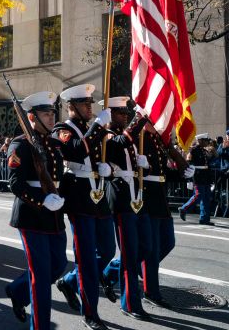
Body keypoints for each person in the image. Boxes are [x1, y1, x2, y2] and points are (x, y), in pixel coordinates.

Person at [52, 84, 115, 330]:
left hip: (99, 195)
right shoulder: (62, 129)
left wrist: (106, 167)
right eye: (85, 104)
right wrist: (99, 126)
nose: (90, 107)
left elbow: (97, 154)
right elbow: (76, 152)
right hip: (79, 197)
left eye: (90, 103)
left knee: (108, 251)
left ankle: (69, 281)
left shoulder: (90, 128)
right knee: (86, 259)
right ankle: (90, 313)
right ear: (72, 107)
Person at [3, 91, 68, 330]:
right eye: (45, 114)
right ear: (31, 117)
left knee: (59, 265)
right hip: (32, 216)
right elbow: (16, 184)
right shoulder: (20, 144)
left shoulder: (54, 143)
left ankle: (17, 291)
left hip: (54, 216)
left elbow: (60, 178)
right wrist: (42, 201)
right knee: (40, 276)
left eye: (52, 113)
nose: (51, 118)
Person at [85, 96, 150, 321]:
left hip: (136, 196)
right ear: (110, 115)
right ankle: (130, 304)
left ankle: (107, 273)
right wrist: (141, 117)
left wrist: (144, 163)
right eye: (121, 113)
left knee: (145, 247)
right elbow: (123, 142)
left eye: (126, 113)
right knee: (130, 253)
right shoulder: (108, 138)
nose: (124, 116)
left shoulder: (122, 136)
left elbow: (130, 148)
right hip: (121, 199)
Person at [138, 121, 194, 308]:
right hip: (148, 199)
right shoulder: (139, 139)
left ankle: (119, 268)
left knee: (168, 242)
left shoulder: (158, 140)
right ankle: (151, 291)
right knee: (151, 251)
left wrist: (181, 174)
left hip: (161, 199)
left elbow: (163, 172)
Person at [180, 134, 213, 225]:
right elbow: (189, 163)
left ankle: (204, 219)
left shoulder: (204, 150)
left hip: (206, 176)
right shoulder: (193, 150)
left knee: (206, 198)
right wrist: (190, 178)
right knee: (198, 195)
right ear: (200, 140)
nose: (207, 142)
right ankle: (184, 208)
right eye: (205, 140)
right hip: (198, 176)